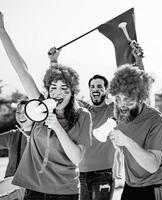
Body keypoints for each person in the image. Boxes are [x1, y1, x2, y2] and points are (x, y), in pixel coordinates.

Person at [0, 12, 92, 199]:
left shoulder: (83, 115)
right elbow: (22, 70)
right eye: (53, 88)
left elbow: (77, 158)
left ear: (72, 91)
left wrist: (57, 127)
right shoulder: (39, 106)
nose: (57, 93)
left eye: (64, 88)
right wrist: (2, 31)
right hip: (33, 190)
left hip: (65, 193)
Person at [49, 48, 122, 200]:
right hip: (79, 174)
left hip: (104, 174)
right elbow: (60, 92)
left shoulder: (112, 109)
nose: (95, 89)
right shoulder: (82, 111)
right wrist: (54, 62)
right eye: (92, 87)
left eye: (100, 87)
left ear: (107, 90)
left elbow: (126, 93)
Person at [108, 65, 162, 200]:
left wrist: (126, 141)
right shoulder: (120, 114)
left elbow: (153, 165)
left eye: (127, 99)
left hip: (154, 186)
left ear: (140, 98)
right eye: (118, 99)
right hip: (130, 185)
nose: (122, 105)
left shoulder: (157, 120)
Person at [0, 99, 33, 178]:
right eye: (18, 112)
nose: (21, 116)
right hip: (11, 184)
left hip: (33, 185)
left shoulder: (42, 134)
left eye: (25, 113)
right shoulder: (12, 135)